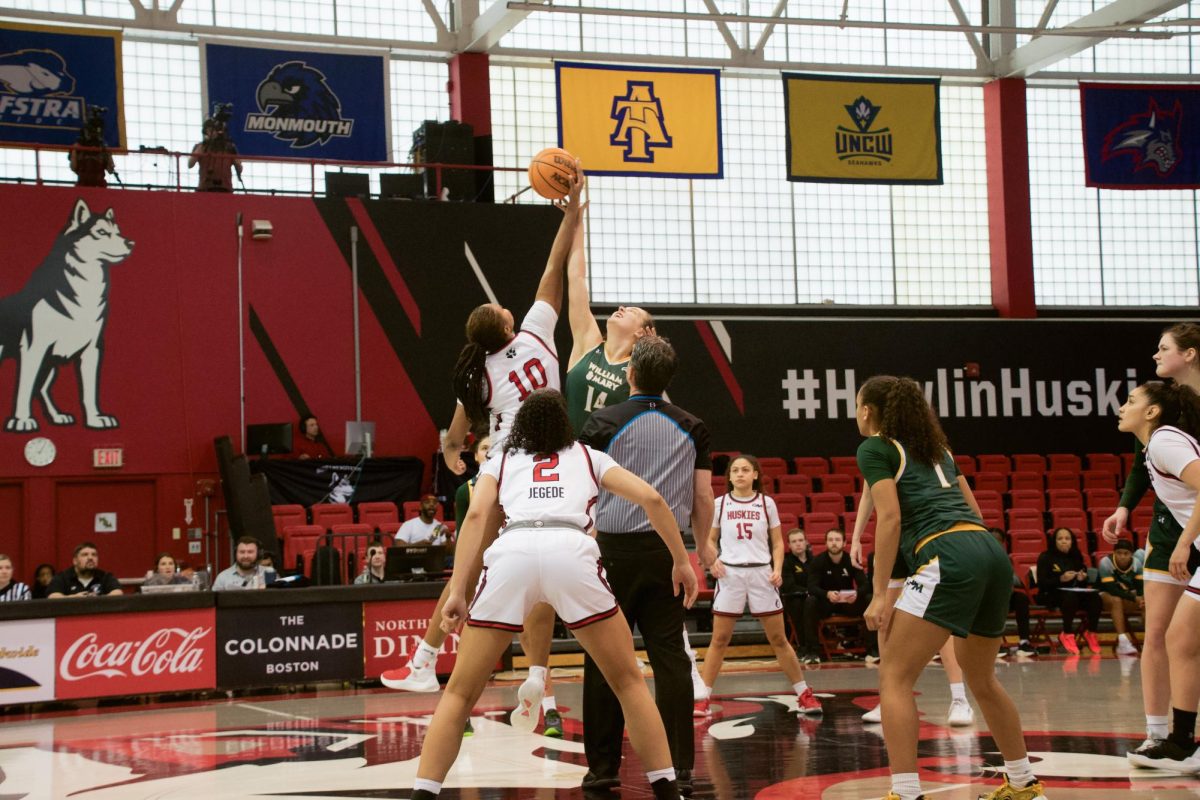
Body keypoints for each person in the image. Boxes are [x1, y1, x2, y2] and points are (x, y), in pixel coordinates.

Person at [407, 389, 696, 800]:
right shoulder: (589, 456)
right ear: (566, 424)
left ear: (521, 424)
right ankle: (667, 791)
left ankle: (422, 794)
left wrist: (457, 591)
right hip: (570, 549)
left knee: (458, 692)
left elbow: (475, 514)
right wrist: (681, 561)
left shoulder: (502, 460)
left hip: (514, 551)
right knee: (629, 682)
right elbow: (651, 498)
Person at [380, 171, 584, 697]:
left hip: (508, 464)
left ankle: (426, 659)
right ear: (507, 325)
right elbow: (553, 268)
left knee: (469, 565)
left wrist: (453, 455)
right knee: (540, 567)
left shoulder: (480, 378)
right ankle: (539, 675)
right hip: (559, 460)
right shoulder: (539, 334)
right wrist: (571, 214)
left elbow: (451, 440)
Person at [856, 375, 1044, 800]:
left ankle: (905, 793)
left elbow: (889, 519)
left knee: (895, 677)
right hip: (989, 553)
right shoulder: (938, 449)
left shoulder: (875, 447)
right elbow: (974, 511)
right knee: (983, 679)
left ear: (867, 411)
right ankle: (1023, 785)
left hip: (947, 555)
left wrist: (879, 591)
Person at [578, 335, 714, 796]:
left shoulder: (601, 421)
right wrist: (702, 550)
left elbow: (583, 486)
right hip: (667, 555)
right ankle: (679, 768)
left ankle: (602, 769)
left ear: (630, 373)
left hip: (611, 553)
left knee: (604, 662)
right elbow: (702, 498)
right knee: (671, 660)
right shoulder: (693, 426)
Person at [1105, 323, 1200, 760]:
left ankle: (1181, 739)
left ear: (1191, 354)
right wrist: (1126, 505)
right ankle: (1169, 736)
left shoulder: (1166, 432)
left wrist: (1185, 543)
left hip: (1189, 532)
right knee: (1172, 636)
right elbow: (1151, 467)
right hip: (1180, 528)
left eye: (1164, 349)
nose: (1156, 355)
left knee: (1182, 637)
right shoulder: (1159, 433)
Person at [694, 454, 821, 717]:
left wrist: (776, 569)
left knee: (778, 638)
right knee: (719, 639)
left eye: (745, 470)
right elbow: (709, 538)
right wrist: (712, 560)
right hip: (731, 575)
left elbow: (777, 542)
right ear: (729, 476)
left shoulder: (767, 503)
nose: (740, 474)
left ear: (755, 475)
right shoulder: (720, 504)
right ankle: (703, 697)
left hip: (761, 575)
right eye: (735, 470)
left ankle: (803, 693)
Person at [852, 492, 977, 726]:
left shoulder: (927, 455)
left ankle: (960, 699)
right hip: (893, 539)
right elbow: (869, 493)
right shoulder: (876, 456)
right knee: (884, 617)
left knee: (937, 620)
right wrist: (856, 537)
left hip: (926, 535)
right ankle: (887, 698)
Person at [806, 528, 879, 663]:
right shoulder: (817, 561)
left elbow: (866, 585)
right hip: (826, 603)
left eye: (838, 540)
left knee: (869, 599)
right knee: (810, 602)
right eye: (831, 540)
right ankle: (813, 652)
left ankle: (872, 650)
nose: (834, 543)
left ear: (845, 543)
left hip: (848, 603)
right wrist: (826, 594)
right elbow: (811, 586)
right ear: (826, 543)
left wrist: (856, 594)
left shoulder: (851, 560)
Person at [1036, 527, 1102, 655]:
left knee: (1095, 597)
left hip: (1072, 594)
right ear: (1054, 541)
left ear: (1072, 541)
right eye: (1060, 539)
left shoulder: (1076, 556)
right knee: (1070, 596)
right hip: (1050, 594)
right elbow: (1042, 583)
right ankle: (1067, 633)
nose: (1064, 541)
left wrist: (1081, 578)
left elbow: (1081, 583)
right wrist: (1060, 578)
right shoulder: (1045, 557)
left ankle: (1091, 632)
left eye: (1067, 538)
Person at [987, 528, 1037, 659]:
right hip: (985, 597)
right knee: (994, 601)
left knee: (1021, 598)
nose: (995, 543)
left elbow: (1016, 581)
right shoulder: (979, 557)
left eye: (998, 540)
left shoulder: (1005, 559)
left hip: (1004, 595)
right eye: (992, 539)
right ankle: (995, 643)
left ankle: (1024, 642)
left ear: (1003, 543)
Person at [1098, 539, 1145, 656]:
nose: (1122, 556)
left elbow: (1140, 588)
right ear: (1114, 553)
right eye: (1119, 553)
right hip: (1104, 597)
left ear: (1131, 554)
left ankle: (1151, 640)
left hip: (1127, 597)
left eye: (1126, 553)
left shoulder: (1137, 563)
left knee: (1146, 600)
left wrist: (1140, 598)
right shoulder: (1105, 563)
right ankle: (1123, 642)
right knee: (1116, 599)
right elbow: (1111, 589)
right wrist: (1134, 598)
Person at [781, 528, 818, 662]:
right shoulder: (786, 562)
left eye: (801, 540)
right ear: (789, 545)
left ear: (806, 542)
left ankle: (811, 648)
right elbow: (789, 586)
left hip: (813, 599)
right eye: (794, 541)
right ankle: (804, 646)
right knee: (797, 604)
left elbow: (819, 582)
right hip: (795, 598)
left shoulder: (815, 561)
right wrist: (808, 591)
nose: (798, 544)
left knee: (812, 603)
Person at [47, 543, 124, 597]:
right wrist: (74, 598)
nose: (90, 558)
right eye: (85, 555)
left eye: (94, 555)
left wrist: (98, 599)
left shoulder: (106, 577)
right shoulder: (62, 577)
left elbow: (118, 593)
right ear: (75, 561)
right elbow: (53, 596)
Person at [189, 116, 243, 192]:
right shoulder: (201, 147)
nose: (213, 132)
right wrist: (203, 145)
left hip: (225, 189)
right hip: (205, 188)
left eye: (215, 130)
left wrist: (237, 161)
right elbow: (190, 164)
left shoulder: (228, 147)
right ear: (205, 131)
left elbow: (239, 168)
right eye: (210, 130)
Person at [69, 106, 115, 188]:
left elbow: (110, 170)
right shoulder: (79, 147)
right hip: (82, 186)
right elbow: (73, 167)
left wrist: (108, 154)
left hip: (99, 187)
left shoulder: (103, 148)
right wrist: (74, 151)